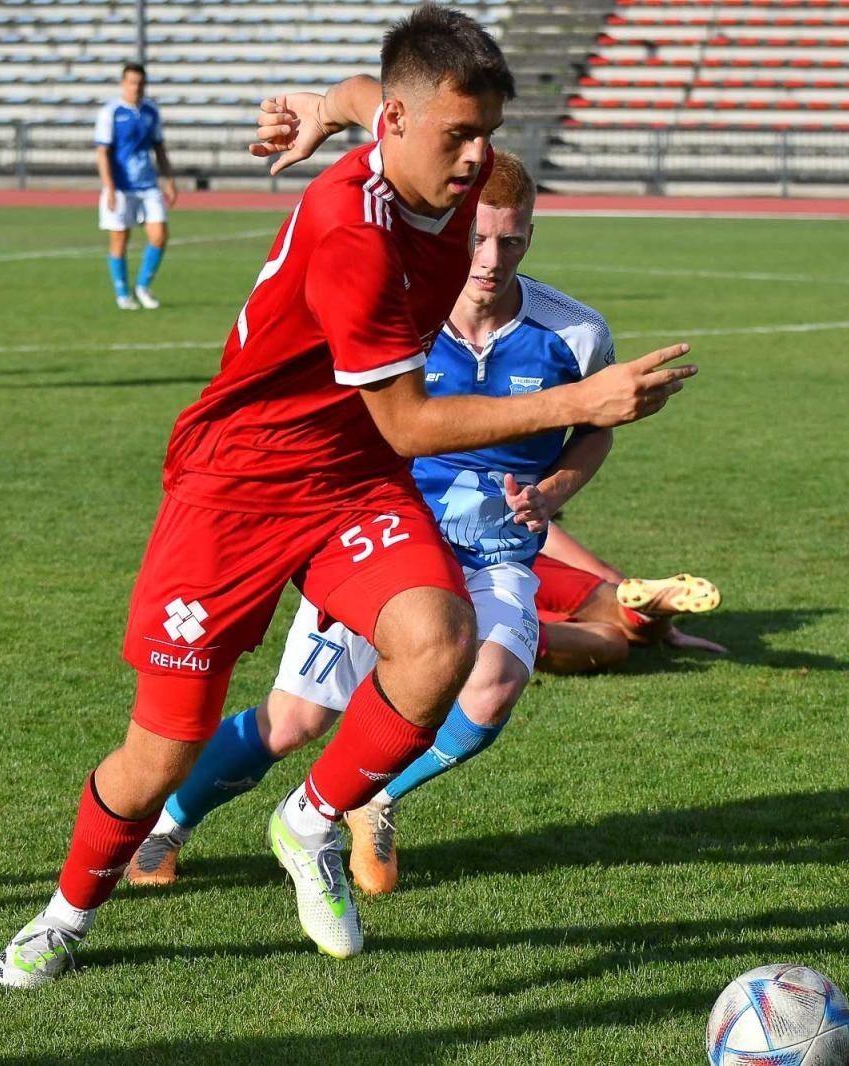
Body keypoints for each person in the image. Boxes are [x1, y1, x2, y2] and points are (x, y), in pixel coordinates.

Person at [0, 5, 695, 990]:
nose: (476, 158)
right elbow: (408, 422)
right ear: (405, 130)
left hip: (345, 481)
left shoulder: (424, 152)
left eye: (487, 132)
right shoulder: (351, 233)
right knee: (160, 751)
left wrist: (322, 106)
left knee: (440, 642)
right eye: (459, 136)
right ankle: (64, 915)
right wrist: (584, 399)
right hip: (232, 487)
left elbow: (372, 96)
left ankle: (310, 819)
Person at [123, 154, 721, 897]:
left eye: (510, 242)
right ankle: (168, 823)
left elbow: (596, 428)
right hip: (379, 535)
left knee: (493, 685)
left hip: (497, 551)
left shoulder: (575, 334)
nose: (490, 261)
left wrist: (558, 483)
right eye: (476, 239)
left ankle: (358, 797)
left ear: (531, 237)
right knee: (297, 718)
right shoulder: (397, 314)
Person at [531, 523, 725, 676]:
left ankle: (510, 639)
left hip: (503, 585)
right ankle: (646, 614)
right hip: (534, 565)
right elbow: (602, 571)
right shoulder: (522, 498)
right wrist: (667, 631)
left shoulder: (504, 490)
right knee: (617, 607)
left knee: (608, 642)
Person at [95, 62, 177, 310]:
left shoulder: (151, 111)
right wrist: (109, 187)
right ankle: (122, 293)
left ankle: (142, 286)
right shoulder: (111, 112)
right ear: (123, 84)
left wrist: (169, 179)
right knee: (120, 239)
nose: (136, 87)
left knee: (160, 235)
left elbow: (159, 147)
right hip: (120, 187)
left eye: (140, 83)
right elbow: (102, 152)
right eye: (131, 82)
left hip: (148, 185)